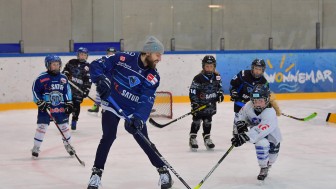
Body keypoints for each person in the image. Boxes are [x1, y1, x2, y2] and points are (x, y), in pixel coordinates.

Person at [87, 36, 173, 189]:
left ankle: (163, 170)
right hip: (112, 104)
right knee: (108, 137)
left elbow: (147, 99)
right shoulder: (123, 58)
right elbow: (96, 65)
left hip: (132, 110)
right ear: (147, 52)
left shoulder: (153, 76)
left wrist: (139, 118)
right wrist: (100, 79)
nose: (160, 58)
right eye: (158, 54)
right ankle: (96, 174)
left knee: (144, 140)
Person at [231, 84, 282, 181]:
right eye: (255, 101)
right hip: (259, 136)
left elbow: (260, 130)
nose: (257, 104)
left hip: (272, 137)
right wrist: (241, 125)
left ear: (267, 100)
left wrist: (245, 136)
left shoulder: (270, 112)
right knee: (261, 143)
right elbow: (241, 115)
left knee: (271, 159)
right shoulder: (249, 105)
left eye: (260, 101)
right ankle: (263, 168)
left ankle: (268, 165)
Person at [31, 55, 75, 158]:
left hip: (60, 107)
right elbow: (35, 91)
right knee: (42, 127)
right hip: (46, 107)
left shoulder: (63, 78)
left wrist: (69, 102)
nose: (56, 66)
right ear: (48, 65)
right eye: (53, 65)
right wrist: (40, 102)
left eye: (58, 64)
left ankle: (68, 146)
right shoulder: (41, 78)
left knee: (64, 127)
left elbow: (67, 91)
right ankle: (36, 147)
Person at [188, 55, 224, 151]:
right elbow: (193, 91)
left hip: (210, 106)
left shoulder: (217, 76)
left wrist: (220, 94)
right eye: (207, 66)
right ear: (203, 66)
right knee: (196, 121)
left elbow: (219, 87)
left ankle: (207, 138)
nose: (209, 68)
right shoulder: (198, 78)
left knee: (208, 121)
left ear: (214, 66)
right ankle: (193, 138)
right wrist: (194, 103)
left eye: (211, 66)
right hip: (199, 105)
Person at [229, 58, 281, 123]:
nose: (257, 71)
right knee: (238, 128)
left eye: (259, 69)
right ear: (252, 68)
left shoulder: (264, 82)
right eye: (256, 68)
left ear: (263, 70)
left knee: (254, 129)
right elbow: (232, 84)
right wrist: (233, 92)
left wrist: (272, 107)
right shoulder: (243, 74)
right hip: (240, 104)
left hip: (254, 108)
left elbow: (266, 98)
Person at [62, 47, 92, 130]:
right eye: (81, 54)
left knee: (76, 105)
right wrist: (65, 73)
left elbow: (88, 80)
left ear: (86, 56)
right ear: (78, 55)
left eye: (84, 55)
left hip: (79, 91)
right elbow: (65, 71)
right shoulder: (71, 62)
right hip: (68, 89)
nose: (82, 56)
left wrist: (86, 90)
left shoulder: (88, 67)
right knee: (67, 104)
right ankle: (65, 120)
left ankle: (74, 120)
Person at [88, 47, 118, 113]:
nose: (111, 54)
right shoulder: (104, 60)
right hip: (105, 79)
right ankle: (97, 106)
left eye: (112, 53)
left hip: (113, 81)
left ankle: (105, 108)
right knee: (100, 91)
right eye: (110, 53)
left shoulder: (117, 62)